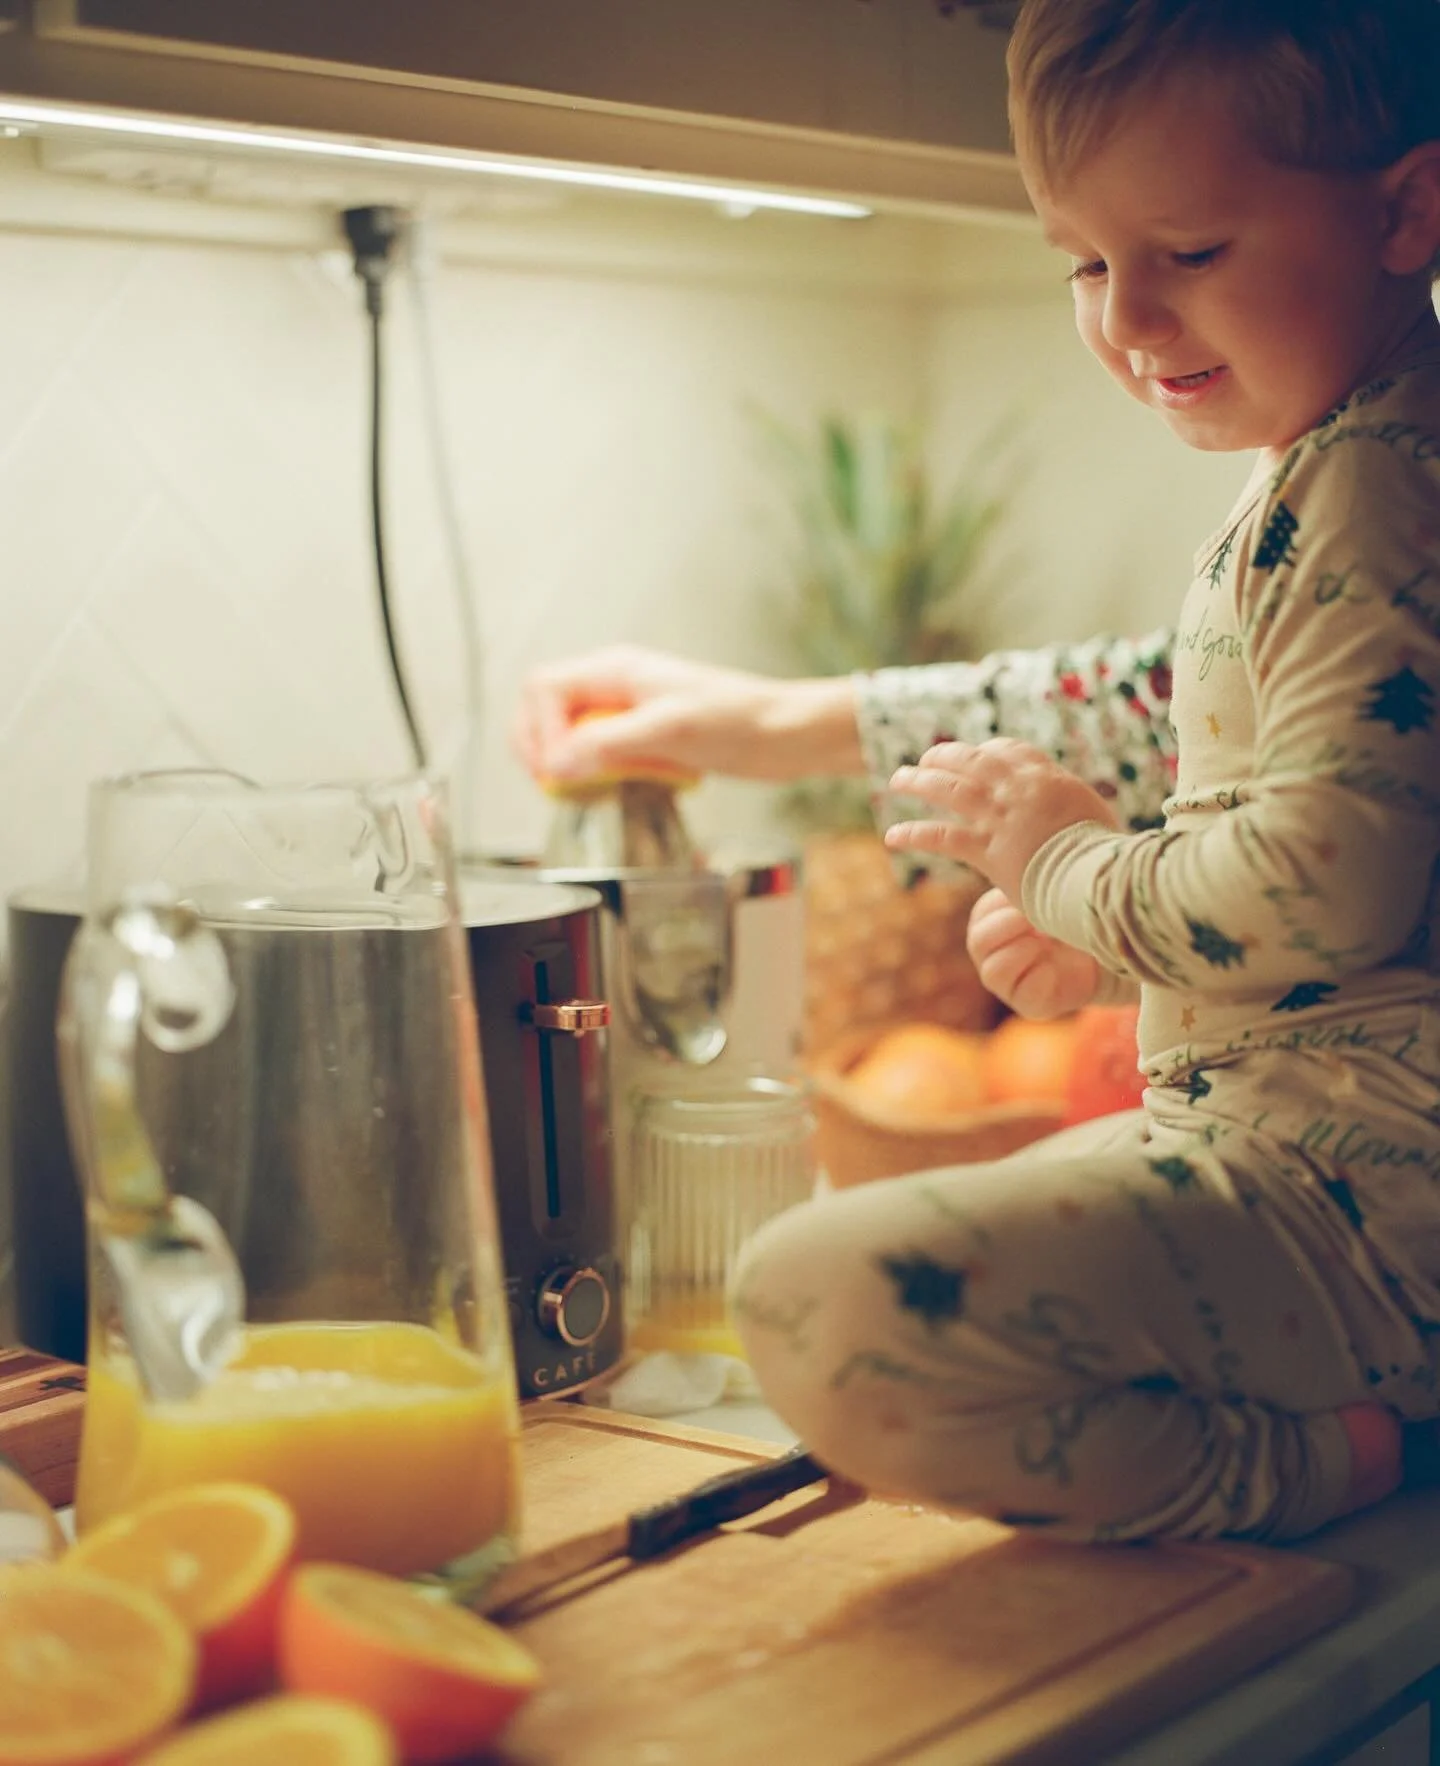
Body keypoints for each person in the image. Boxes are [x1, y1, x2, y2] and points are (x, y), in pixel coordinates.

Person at [512, 0, 1440, 1541]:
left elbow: (1330, 884)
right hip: (1336, 1171)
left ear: (1408, 209)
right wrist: (1119, 939)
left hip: (1371, 1212)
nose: (1129, 321)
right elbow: (1294, 828)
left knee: (814, 1294)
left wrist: (1076, 864)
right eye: (1084, 261)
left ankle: (1317, 1461)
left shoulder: (1368, 487)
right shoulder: (1346, 458)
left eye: (1191, 252)